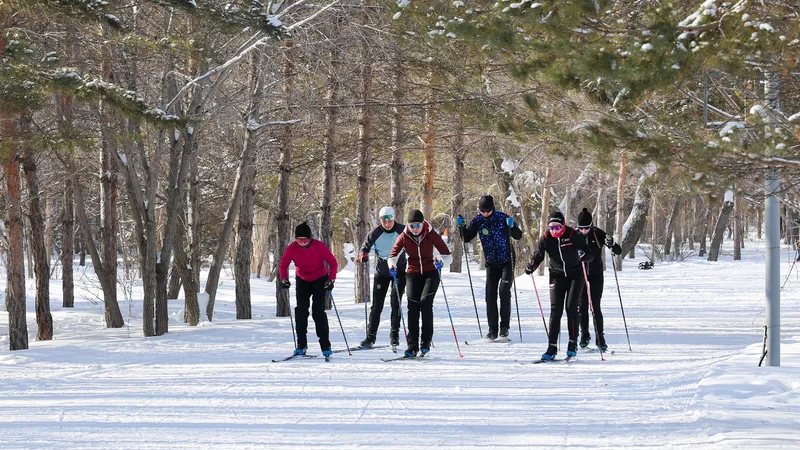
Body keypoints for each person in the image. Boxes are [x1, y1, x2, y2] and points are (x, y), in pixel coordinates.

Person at [525, 211, 591, 360]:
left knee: (571, 307)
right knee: (555, 310)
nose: (554, 230)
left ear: (563, 225)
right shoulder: (546, 237)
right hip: (556, 276)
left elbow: (589, 253)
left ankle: (572, 343)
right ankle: (552, 347)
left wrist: (584, 255)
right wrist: (531, 266)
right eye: (552, 227)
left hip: (575, 275)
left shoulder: (572, 234)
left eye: (557, 227)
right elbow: (538, 255)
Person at [456, 195, 523, 340]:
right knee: (490, 295)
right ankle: (492, 330)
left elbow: (518, 235)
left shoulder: (502, 217)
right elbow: (466, 237)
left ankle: (504, 328)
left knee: (504, 291)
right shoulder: (478, 220)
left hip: (507, 261)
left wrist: (512, 226)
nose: (485, 213)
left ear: (492, 208)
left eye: (487, 211)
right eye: (482, 211)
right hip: (491, 263)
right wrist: (461, 226)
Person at [388, 209, 451, 357]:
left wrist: (441, 262)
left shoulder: (431, 234)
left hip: (431, 273)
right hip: (412, 274)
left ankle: (425, 342)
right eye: (412, 226)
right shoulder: (404, 236)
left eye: (418, 225)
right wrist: (392, 265)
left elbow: (448, 256)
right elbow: (392, 256)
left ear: (423, 224)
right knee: (413, 307)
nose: (415, 229)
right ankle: (412, 346)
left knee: (425, 303)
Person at [279, 222, 339, 358]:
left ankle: (325, 345)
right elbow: (283, 265)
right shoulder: (291, 248)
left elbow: (333, 263)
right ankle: (301, 345)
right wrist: (284, 279)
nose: (302, 242)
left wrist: (331, 280)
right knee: (301, 311)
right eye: (299, 240)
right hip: (302, 280)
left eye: (305, 240)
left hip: (320, 278)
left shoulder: (319, 246)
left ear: (310, 238)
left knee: (318, 311)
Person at [357, 206, 407, 349]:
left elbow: (414, 243)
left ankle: (394, 336)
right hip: (382, 272)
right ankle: (370, 337)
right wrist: (363, 254)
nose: (387, 224)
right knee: (376, 306)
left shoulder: (402, 230)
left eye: (389, 220)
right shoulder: (375, 232)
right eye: (384, 221)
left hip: (399, 270)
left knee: (396, 303)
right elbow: (364, 247)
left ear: (394, 219)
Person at [575, 208, 622, 351]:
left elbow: (618, 250)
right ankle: (584, 335)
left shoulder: (598, 233)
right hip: (580, 274)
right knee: (582, 305)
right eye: (581, 228)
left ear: (591, 225)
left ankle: (600, 337)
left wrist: (611, 243)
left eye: (586, 228)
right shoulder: (574, 235)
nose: (584, 231)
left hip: (596, 274)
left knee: (595, 306)